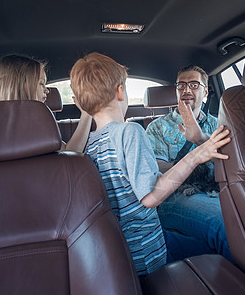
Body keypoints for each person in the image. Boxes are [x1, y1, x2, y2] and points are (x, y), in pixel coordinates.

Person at [69, 53, 231, 275]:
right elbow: (150, 196)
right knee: (221, 253)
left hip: (126, 250)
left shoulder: (90, 144)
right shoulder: (130, 132)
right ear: (120, 91)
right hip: (147, 253)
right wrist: (196, 155)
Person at [145, 65, 231, 261]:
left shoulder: (219, 124)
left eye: (194, 84)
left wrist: (201, 138)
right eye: (181, 85)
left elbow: (235, 162)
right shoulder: (157, 127)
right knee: (227, 224)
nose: (186, 90)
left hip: (219, 189)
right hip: (174, 197)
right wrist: (198, 162)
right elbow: (156, 169)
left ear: (206, 92)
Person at [0, 54, 91, 153]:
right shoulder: (36, 126)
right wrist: (86, 114)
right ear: (21, 86)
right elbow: (70, 154)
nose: (47, 90)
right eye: (41, 84)